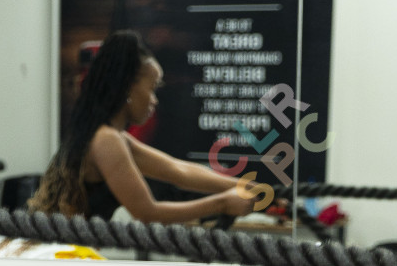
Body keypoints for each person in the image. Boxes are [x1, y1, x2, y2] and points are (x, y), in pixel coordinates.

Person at [32, 30, 260, 222]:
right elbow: (147, 212)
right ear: (128, 88)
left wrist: (247, 188)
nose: (154, 100)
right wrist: (222, 204)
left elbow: (178, 170)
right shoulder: (106, 141)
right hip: (58, 254)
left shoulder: (112, 137)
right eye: (152, 88)